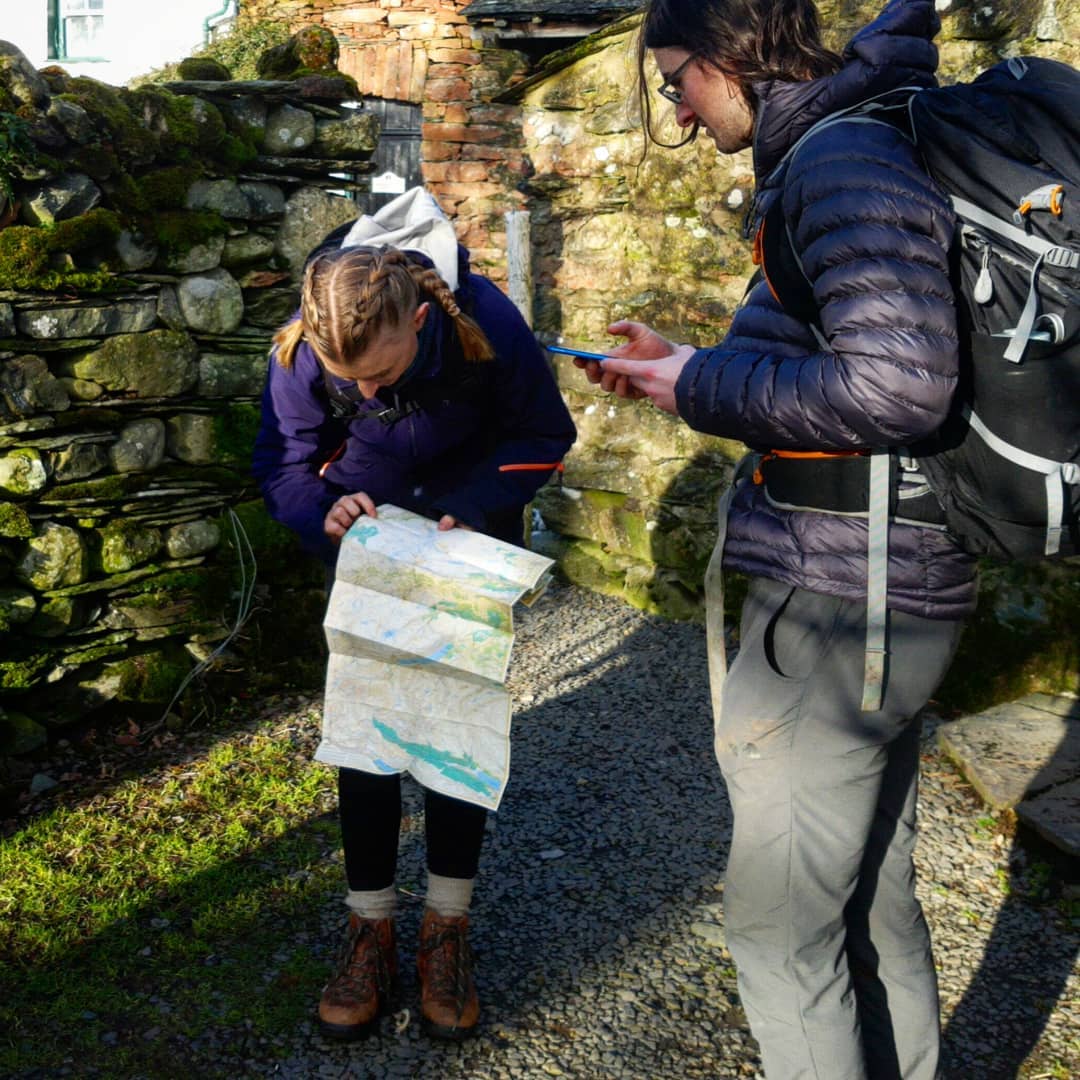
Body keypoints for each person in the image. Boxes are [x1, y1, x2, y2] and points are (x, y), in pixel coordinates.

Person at [579, 1, 977, 1076]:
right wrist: (687, 364)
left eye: (676, 80)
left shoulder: (840, 160)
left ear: (727, 59)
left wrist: (701, 382)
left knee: (779, 931)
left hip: (840, 602)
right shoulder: (860, 140)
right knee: (868, 898)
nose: (677, 110)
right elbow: (851, 354)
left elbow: (898, 384)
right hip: (880, 584)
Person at [253, 192, 576, 1042]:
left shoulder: (484, 320)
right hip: (368, 551)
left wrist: (473, 503)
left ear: (420, 320)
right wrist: (318, 507)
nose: (365, 391)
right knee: (366, 737)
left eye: (382, 375)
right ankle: (370, 929)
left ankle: (445, 928)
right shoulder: (302, 345)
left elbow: (545, 433)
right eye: (349, 381)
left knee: (453, 734)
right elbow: (283, 462)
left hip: (465, 544)